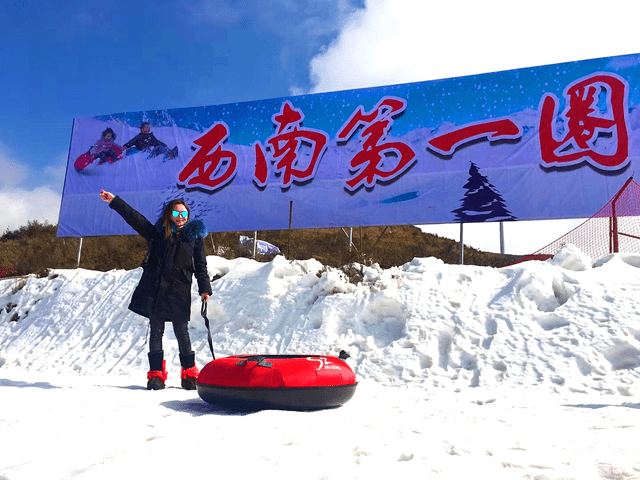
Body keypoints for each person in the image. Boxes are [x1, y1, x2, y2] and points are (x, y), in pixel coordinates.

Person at [99, 189, 212, 390]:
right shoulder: (158, 234)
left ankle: (189, 374)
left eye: (184, 213)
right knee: (156, 332)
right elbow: (136, 219)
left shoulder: (194, 238)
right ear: (169, 215)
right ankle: (156, 375)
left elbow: (201, 265)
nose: (180, 217)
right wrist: (115, 201)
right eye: (176, 213)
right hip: (157, 289)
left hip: (180, 290)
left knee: (182, 332)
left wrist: (205, 289)